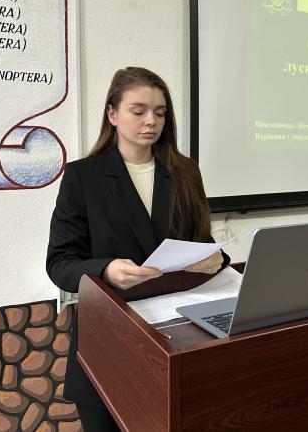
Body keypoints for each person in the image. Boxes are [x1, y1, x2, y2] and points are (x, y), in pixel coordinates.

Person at [46, 67, 228, 431]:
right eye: (139, 111)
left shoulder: (185, 172)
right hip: (109, 339)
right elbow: (60, 263)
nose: (151, 121)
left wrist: (216, 258)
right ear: (112, 114)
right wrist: (106, 270)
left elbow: (203, 243)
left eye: (160, 113)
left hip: (178, 337)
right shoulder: (84, 176)